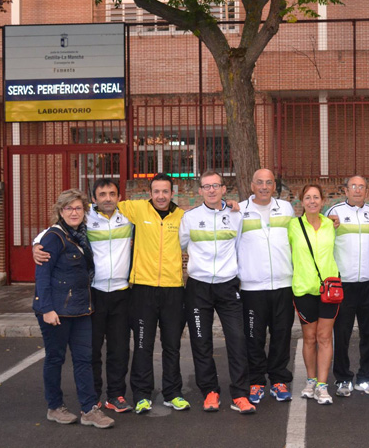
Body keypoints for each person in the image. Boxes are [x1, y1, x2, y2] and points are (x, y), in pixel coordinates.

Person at [33, 178, 134, 414]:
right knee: (91, 351)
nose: (107, 198)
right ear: (95, 199)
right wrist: (35, 245)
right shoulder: (88, 220)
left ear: (119, 197)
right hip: (94, 293)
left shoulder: (130, 218)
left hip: (121, 292)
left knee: (119, 349)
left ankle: (116, 395)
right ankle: (93, 398)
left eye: (112, 193)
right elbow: (50, 234)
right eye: (102, 194)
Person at [179, 170, 256, 414]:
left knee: (237, 339)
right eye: (206, 186)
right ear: (199, 191)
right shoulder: (189, 218)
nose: (211, 190)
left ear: (224, 189)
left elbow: (239, 244)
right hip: (198, 287)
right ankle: (210, 391)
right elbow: (182, 245)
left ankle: (240, 394)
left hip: (228, 285)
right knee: (201, 341)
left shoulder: (237, 215)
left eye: (216, 185)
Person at [116, 173, 190, 415]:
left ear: (172, 193)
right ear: (150, 193)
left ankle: (173, 393)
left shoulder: (181, 216)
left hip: (173, 290)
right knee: (142, 345)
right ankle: (141, 395)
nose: (161, 196)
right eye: (156, 191)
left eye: (165, 191)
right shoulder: (136, 209)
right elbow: (102, 206)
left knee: (172, 345)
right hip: (143, 289)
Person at [238, 169, 295, 404]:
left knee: (281, 336)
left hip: (283, 285)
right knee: (254, 338)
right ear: (252, 186)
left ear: (274, 186)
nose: (264, 186)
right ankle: (256, 381)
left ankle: (279, 379)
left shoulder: (286, 208)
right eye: (259, 182)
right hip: (252, 288)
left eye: (268, 182)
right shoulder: (239, 211)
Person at [325, 175, 369, 397]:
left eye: (362, 187)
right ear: (346, 190)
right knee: (342, 333)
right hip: (344, 284)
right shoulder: (334, 213)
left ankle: (366, 378)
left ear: (367, 191)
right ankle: (342, 379)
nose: (357, 190)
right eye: (353, 186)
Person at [288, 184, 340, 405]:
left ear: (322, 201)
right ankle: (310, 380)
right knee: (309, 338)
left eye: (316, 197)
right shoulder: (292, 225)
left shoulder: (331, 224)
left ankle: (322, 384)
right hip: (303, 289)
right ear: (301, 201)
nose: (312, 201)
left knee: (325, 337)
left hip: (329, 289)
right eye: (307, 198)